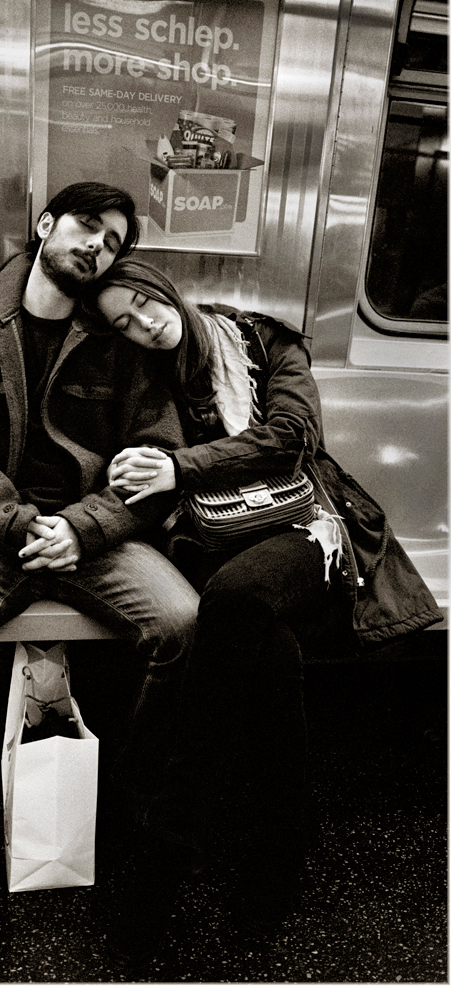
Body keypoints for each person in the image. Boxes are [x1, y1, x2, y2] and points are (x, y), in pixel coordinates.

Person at [89, 258, 443, 966]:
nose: (143, 324)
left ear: (164, 288)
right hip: (208, 536)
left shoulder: (261, 341)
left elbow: (292, 434)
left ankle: (165, 853)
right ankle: (282, 841)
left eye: (143, 303)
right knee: (265, 647)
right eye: (122, 323)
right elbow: (133, 459)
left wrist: (181, 467)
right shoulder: (140, 376)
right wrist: (140, 469)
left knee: (237, 600)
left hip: (308, 527)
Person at [0, 185, 201, 958]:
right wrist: (22, 523)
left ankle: (136, 807)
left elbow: (154, 456)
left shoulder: (120, 344)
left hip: (92, 532)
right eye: (88, 226)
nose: (97, 245)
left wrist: (82, 528)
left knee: (184, 622)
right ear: (45, 225)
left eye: (113, 241)